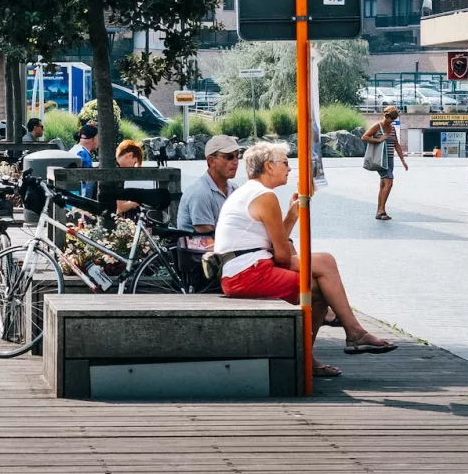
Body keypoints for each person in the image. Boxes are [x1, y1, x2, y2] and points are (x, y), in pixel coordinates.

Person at [214, 141, 396, 377]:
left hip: (244, 269)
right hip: (247, 273)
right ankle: (347, 335)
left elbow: (273, 245)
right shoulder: (264, 196)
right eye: (285, 163)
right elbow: (280, 254)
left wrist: (292, 215)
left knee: (321, 280)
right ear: (269, 167)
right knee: (324, 272)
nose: (289, 169)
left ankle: (331, 345)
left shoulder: (251, 192)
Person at [175, 134, 242, 239]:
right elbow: (208, 239)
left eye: (237, 156)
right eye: (229, 157)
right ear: (211, 161)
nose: (235, 162)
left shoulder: (234, 189)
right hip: (201, 253)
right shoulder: (200, 194)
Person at [361, 105, 408, 221]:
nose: (392, 121)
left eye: (394, 119)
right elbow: (364, 137)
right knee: (389, 183)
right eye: (391, 119)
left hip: (390, 160)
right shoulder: (378, 126)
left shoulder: (392, 128)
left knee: (383, 184)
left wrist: (403, 160)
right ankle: (381, 210)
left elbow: (396, 143)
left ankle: (380, 210)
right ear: (386, 116)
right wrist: (378, 139)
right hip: (381, 159)